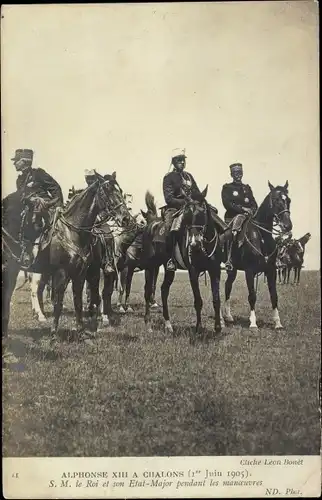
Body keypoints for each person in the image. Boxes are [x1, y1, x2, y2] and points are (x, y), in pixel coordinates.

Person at [12, 148, 64, 267]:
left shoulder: (38, 174)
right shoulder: (19, 180)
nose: (14, 163)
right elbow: (20, 197)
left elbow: (55, 188)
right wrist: (29, 199)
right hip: (29, 209)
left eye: (17, 160)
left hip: (45, 207)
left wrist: (58, 206)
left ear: (24, 161)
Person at [162, 148, 206, 271]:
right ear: (174, 162)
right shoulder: (169, 177)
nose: (182, 162)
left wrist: (198, 200)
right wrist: (184, 202)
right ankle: (170, 259)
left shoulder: (189, 176)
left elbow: (196, 192)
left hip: (191, 207)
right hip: (174, 209)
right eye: (179, 160)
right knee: (169, 228)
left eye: (183, 160)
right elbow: (168, 198)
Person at [221, 162, 258, 270]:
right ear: (231, 174)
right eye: (236, 173)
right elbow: (227, 203)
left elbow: (254, 203)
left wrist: (252, 210)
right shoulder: (227, 187)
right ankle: (228, 259)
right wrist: (242, 209)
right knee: (232, 233)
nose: (238, 175)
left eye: (240, 172)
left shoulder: (247, 188)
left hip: (248, 217)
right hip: (232, 217)